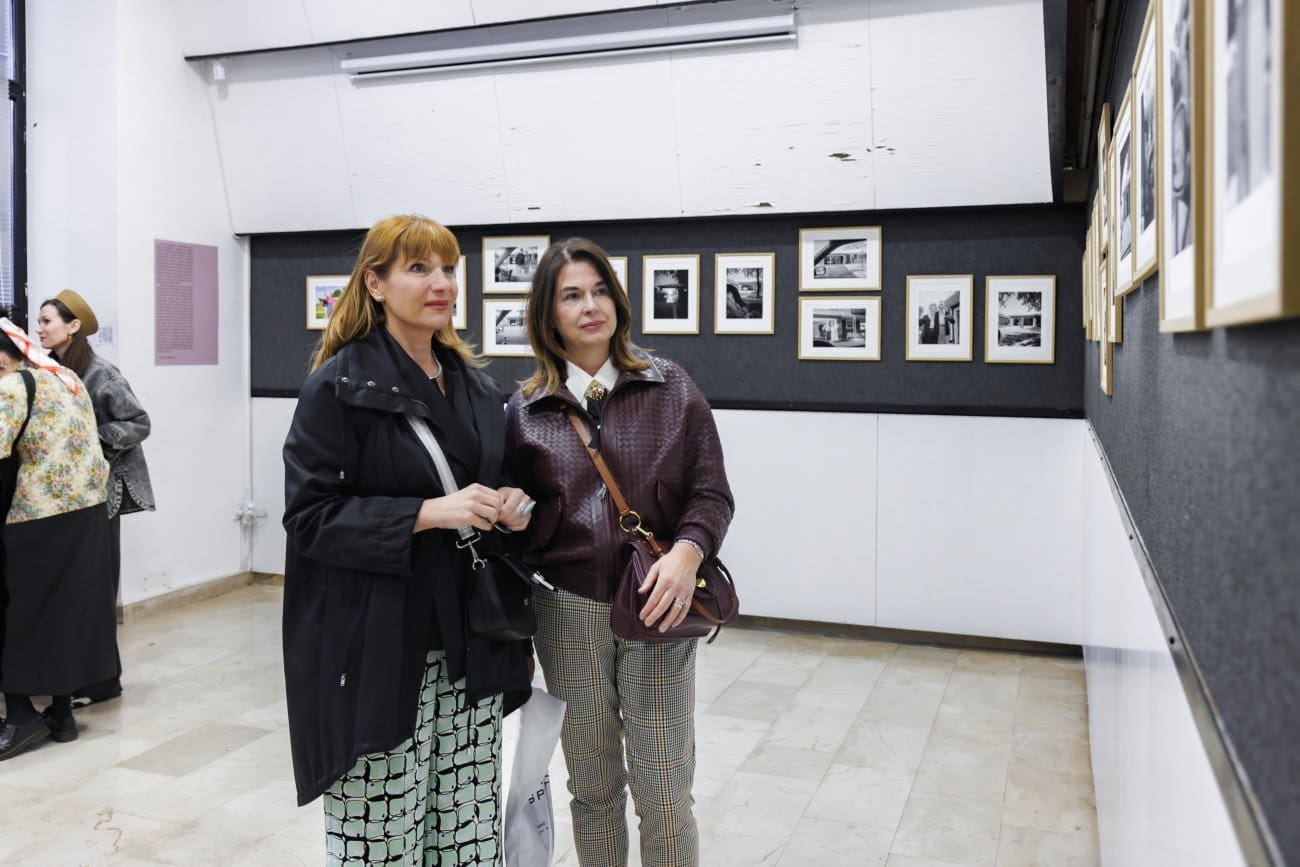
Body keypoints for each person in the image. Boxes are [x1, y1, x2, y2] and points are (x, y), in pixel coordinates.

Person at [281, 214, 533, 866]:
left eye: (448, 268)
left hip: (470, 644)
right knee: (382, 839)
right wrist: (426, 512)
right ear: (376, 282)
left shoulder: (478, 386)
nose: (441, 282)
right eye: (419, 268)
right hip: (377, 651)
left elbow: (494, 480)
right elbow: (309, 518)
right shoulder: (337, 387)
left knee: (469, 837)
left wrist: (510, 503)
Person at [506, 238, 734, 867]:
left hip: (659, 603)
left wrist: (689, 552)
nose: (590, 306)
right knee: (593, 783)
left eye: (600, 289)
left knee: (663, 788)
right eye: (571, 295)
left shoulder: (669, 388)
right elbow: (516, 531)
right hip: (566, 614)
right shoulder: (525, 413)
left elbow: (711, 493)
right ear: (547, 314)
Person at [0, 312, 116, 760]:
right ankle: (62, 715)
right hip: (86, 512)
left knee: (21, 615)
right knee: (66, 614)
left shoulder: (12, 388)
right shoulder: (64, 375)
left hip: (37, 516)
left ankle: (20, 717)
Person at [36, 289, 155, 706]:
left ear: (73, 327)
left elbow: (138, 422)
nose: (40, 328)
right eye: (39, 320)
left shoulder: (101, 373)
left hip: (104, 493)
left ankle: (104, 681)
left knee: (99, 586)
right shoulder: (47, 371)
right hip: (72, 496)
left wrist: (90, 442)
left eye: (48, 320)